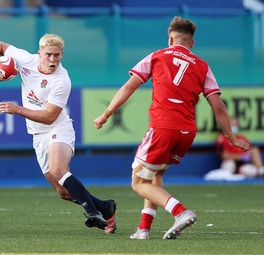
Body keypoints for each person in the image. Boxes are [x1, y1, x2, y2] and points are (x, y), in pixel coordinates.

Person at [93, 16, 249, 240]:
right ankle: (144, 229)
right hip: (186, 131)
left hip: (163, 126)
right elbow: (218, 106)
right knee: (155, 175)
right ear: (192, 43)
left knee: (138, 183)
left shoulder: (157, 56)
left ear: (170, 39)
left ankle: (180, 212)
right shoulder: (203, 66)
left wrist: (106, 113)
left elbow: (129, 86)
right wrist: (231, 137)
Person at [0, 34, 117, 234]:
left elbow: (49, 117)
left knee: (58, 170)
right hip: (38, 135)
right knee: (63, 192)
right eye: (48, 55)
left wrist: (17, 109)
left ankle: (93, 213)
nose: (52, 60)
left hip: (58, 127)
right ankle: (106, 208)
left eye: (57, 55)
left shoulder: (62, 80)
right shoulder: (26, 60)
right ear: (39, 54)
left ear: (62, 55)